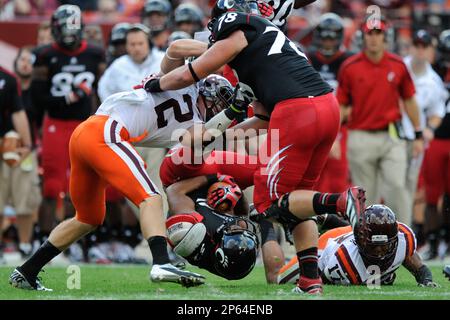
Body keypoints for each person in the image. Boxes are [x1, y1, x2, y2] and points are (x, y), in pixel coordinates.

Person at [140, 0, 366, 294]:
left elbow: (189, 73)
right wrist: (221, 133)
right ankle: (310, 281)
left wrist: (156, 84)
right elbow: (261, 119)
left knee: (268, 204)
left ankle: (340, 202)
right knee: (296, 200)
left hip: (297, 111)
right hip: (326, 108)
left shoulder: (237, 27)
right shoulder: (268, 48)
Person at [9, 63, 247, 290]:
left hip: (84, 133)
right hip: (107, 133)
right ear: (206, 94)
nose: (216, 110)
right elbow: (198, 133)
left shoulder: (182, 91)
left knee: (88, 217)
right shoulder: (188, 94)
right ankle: (161, 263)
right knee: (151, 197)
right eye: (217, 103)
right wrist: (231, 106)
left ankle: (27, 271)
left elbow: (197, 136)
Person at [30, 5, 106, 246]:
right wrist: (69, 97)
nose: (69, 35)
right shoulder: (44, 54)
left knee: (82, 185)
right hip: (56, 123)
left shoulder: (95, 54)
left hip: (85, 125)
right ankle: (43, 239)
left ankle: (79, 243)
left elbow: (101, 92)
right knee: (52, 186)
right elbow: (38, 97)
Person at [337, 15, 423, 224]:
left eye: (378, 34)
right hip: (360, 135)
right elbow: (341, 106)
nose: (374, 39)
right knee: (366, 194)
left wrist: (418, 132)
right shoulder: (350, 67)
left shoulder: (398, 65)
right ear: (363, 37)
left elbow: (409, 100)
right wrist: (334, 136)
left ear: (386, 37)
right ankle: (368, 242)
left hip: (391, 135)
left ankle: (404, 237)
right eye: (370, 34)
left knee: (396, 186)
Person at [278, 204, 438, 287]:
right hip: (327, 245)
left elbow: (419, 268)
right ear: (360, 241)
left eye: (384, 246)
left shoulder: (403, 239)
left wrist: (426, 280)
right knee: (277, 279)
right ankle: (307, 221)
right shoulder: (344, 262)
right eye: (373, 247)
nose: (379, 252)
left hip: (351, 233)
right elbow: (324, 278)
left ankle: (328, 218)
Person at [165, 174, 259, 280]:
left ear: (219, 251)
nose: (237, 230)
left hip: (185, 179)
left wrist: (215, 177)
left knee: (181, 231)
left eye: (234, 241)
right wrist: (236, 192)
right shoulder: (238, 225)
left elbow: (173, 191)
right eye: (242, 234)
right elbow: (242, 213)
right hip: (220, 183)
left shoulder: (197, 239)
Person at [401, 29, 446, 231]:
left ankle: (404, 231)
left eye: (424, 47)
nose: (420, 51)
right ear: (411, 47)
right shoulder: (398, 67)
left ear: (430, 50)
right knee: (392, 185)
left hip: (414, 139)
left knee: (411, 188)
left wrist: (429, 128)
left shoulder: (434, 80)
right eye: (417, 46)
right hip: (389, 135)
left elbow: (438, 111)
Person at [308, 12, 353, 194]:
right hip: (313, 122)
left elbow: (354, 99)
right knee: (312, 176)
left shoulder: (348, 60)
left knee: (337, 176)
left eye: (331, 39)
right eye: (325, 39)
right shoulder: (307, 58)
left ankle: (338, 216)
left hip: (341, 125)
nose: (328, 43)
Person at [0, 66, 33, 264]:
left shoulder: (7, 79)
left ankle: (25, 244)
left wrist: (27, 144)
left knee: (24, 197)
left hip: (8, 145)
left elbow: (18, 112)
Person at [423, 29, 450, 260]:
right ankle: (432, 242)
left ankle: (447, 242)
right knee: (432, 195)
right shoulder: (431, 73)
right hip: (436, 139)